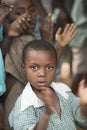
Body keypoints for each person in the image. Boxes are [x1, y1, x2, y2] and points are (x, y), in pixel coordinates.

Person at [9, 39, 87, 130]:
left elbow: (82, 119)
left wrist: (84, 104)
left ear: (55, 67)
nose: (42, 73)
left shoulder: (63, 91)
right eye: (34, 67)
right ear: (24, 68)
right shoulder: (24, 105)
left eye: (49, 67)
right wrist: (47, 114)